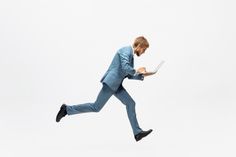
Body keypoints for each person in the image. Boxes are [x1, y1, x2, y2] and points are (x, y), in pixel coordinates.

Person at [56, 36, 155, 141]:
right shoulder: (126, 50)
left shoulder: (131, 55)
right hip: (111, 83)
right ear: (139, 46)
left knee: (131, 103)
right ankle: (66, 109)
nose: (144, 52)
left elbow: (128, 75)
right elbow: (126, 67)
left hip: (117, 85)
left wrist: (143, 75)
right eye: (144, 49)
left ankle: (137, 133)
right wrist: (137, 71)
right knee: (96, 107)